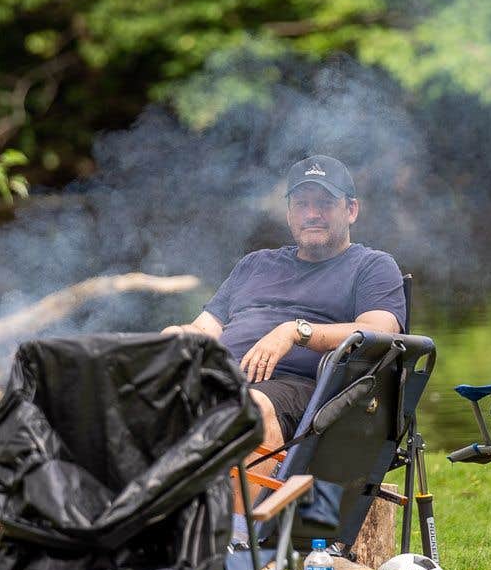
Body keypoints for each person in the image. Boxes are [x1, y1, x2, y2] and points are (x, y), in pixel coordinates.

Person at [166, 154, 406, 452]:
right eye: (301, 204)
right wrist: (177, 336)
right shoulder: (255, 264)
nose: (312, 214)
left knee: (246, 409)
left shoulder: (372, 266)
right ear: (289, 213)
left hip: (304, 393)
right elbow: (205, 329)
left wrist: (296, 332)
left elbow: (381, 332)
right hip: (218, 378)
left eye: (325, 203)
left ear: (351, 210)